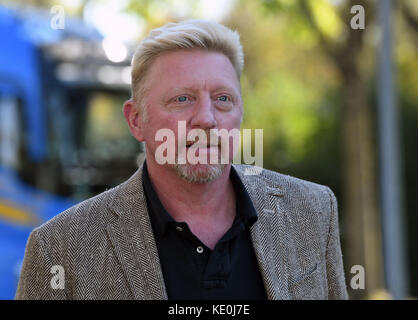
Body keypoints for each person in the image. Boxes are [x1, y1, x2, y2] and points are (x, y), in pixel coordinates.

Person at [15, 19, 348, 300]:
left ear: (240, 113)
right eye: (182, 99)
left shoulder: (313, 211)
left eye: (223, 99)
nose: (206, 118)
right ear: (135, 120)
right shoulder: (59, 249)